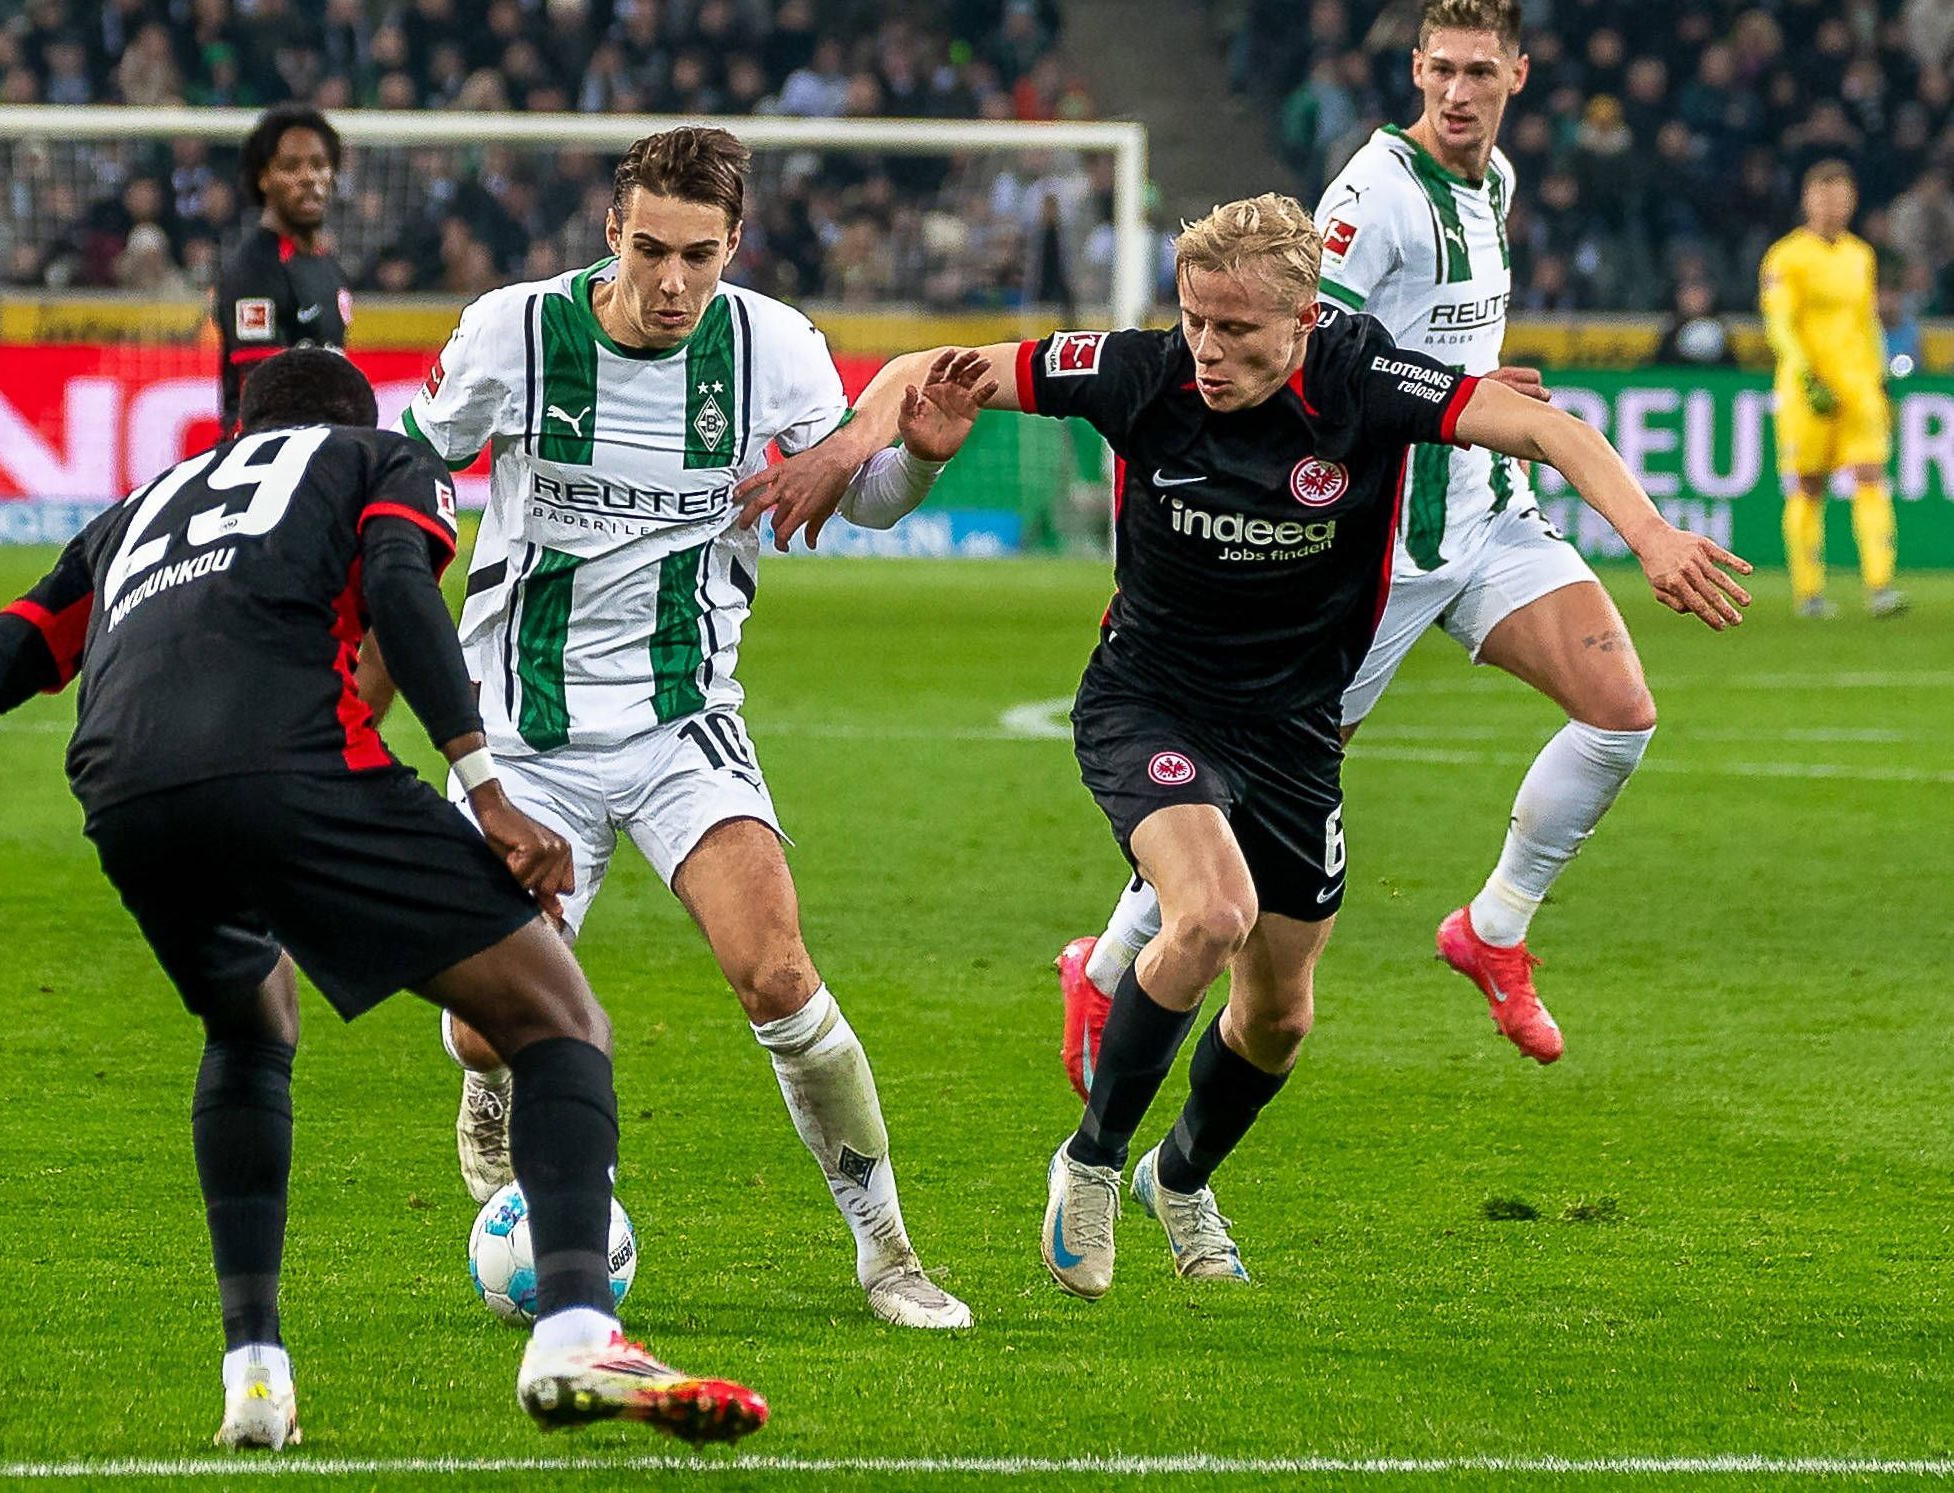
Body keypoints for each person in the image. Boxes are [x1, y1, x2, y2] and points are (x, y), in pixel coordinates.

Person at [755, 192, 1748, 1295]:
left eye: (1236, 330)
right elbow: (938, 366)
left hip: (1290, 731)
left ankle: (1178, 1180)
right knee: (1208, 911)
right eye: (1194, 320)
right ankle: (1089, 1160)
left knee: (1277, 1015)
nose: (1208, 350)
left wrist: (1648, 534)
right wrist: (857, 443)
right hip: (1149, 702)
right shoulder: (1136, 371)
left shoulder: (1366, 381)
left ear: (1304, 317)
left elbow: (1549, 430)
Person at [0, 349, 768, 1450]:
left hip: (126, 792)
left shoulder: (133, 514)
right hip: (296, 760)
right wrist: (487, 791)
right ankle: (572, 1332)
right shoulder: (378, 457)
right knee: (556, 1016)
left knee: (250, 1015)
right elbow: (404, 590)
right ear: (350, 420)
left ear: (237, 427)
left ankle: (255, 1375)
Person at [1043, 0, 1692, 1075]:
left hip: (1479, 513)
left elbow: (1445, 341)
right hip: (1372, 544)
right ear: (1412, 71)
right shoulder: (1371, 194)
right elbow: (1308, 347)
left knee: (1618, 712)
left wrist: (1473, 395)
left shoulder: (1493, 184)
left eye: (1477, 72)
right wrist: (1436, 392)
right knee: (1253, 775)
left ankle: (1489, 929)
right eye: (1438, 69)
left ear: (1515, 77)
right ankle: (1105, 968)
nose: (1456, 91)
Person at [397, 125, 972, 1330]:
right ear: (611, 232)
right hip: (520, 737)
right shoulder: (512, 331)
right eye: (648, 249)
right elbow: (409, 472)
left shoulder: (771, 344)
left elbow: (856, 493)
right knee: (480, 1022)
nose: (670, 283)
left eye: (697, 258)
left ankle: (889, 1253)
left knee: (777, 973)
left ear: (732, 248)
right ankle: (489, 1081)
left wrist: (914, 463)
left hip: (682, 721)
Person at [1763, 160, 1906, 620]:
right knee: (1809, 486)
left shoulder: (1861, 255)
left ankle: (1880, 585)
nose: (1833, 206)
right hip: (1809, 388)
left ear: (1853, 201)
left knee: (1870, 476)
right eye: (1824, 196)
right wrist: (1805, 374)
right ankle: (1810, 593)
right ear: (1807, 200)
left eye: (1841, 197)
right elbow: (1779, 322)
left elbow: (1868, 323)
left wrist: (1879, 383)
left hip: (1858, 386)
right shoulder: (1785, 257)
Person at [216, 103, 350, 435]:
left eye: (319, 165)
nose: (309, 178)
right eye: (291, 167)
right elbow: (263, 390)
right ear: (264, 178)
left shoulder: (328, 266)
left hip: (317, 448)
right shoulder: (255, 269)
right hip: (263, 460)